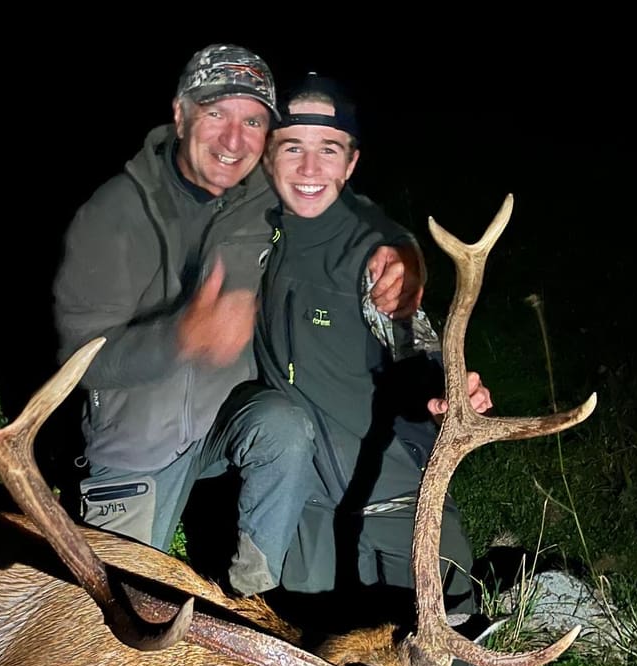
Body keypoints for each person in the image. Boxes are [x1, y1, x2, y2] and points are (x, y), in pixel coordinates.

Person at [52, 45, 423, 554]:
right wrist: (181, 337)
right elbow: (79, 362)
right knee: (115, 615)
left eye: (252, 121)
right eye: (216, 114)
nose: (233, 139)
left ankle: (253, 590)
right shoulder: (112, 214)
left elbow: (335, 194)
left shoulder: (260, 191)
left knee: (284, 428)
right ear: (181, 115)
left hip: (227, 425)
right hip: (136, 445)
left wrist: (401, 246)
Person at [220, 73, 491, 628]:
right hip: (310, 507)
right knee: (306, 646)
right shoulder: (251, 228)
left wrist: (443, 388)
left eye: (329, 150)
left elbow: (408, 334)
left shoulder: (371, 253)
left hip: (396, 502)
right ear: (267, 156)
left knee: (451, 652)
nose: (310, 169)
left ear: (351, 162)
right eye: (292, 148)